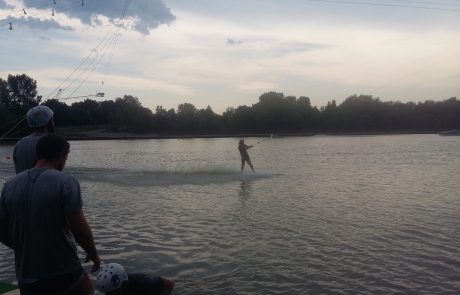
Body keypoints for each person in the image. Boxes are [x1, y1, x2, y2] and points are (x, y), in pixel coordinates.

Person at [0, 134, 101, 295]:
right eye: (65, 157)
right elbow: (79, 230)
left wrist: (23, 246)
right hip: (64, 272)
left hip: (27, 277)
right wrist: (93, 253)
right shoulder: (66, 182)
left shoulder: (10, 185)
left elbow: (2, 230)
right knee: (87, 289)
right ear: (62, 155)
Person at [13, 105, 55, 174]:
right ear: (48, 123)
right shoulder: (52, 143)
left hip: (21, 184)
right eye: (52, 120)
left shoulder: (19, 143)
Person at [96, 263, 175, 295]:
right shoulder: (112, 288)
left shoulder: (144, 284)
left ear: (124, 282)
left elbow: (170, 283)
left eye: (115, 292)